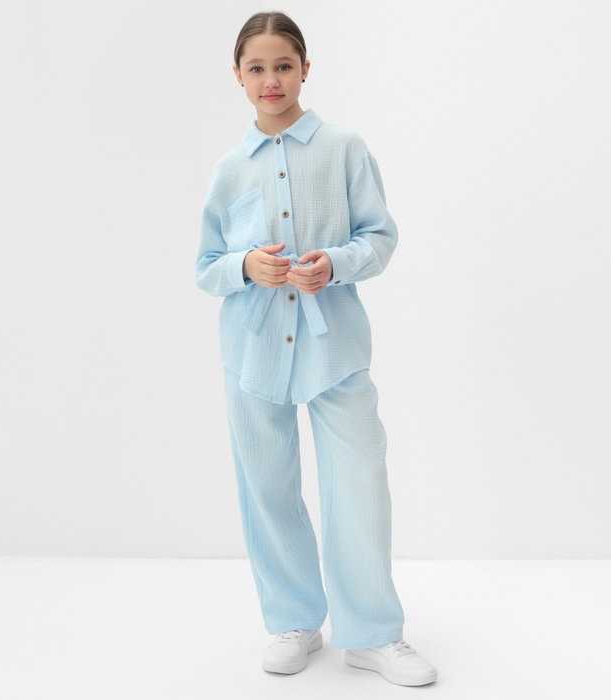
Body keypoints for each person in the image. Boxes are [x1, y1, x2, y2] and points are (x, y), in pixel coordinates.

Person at [195, 10, 437, 687]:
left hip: (335, 351)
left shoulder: (344, 148)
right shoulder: (229, 169)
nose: (271, 79)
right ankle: (293, 620)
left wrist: (334, 263)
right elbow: (206, 266)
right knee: (266, 487)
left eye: (283, 65)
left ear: (305, 68)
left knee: (359, 485)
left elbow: (379, 238)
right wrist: (247, 266)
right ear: (238, 76)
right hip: (253, 353)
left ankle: (372, 633)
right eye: (257, 68)